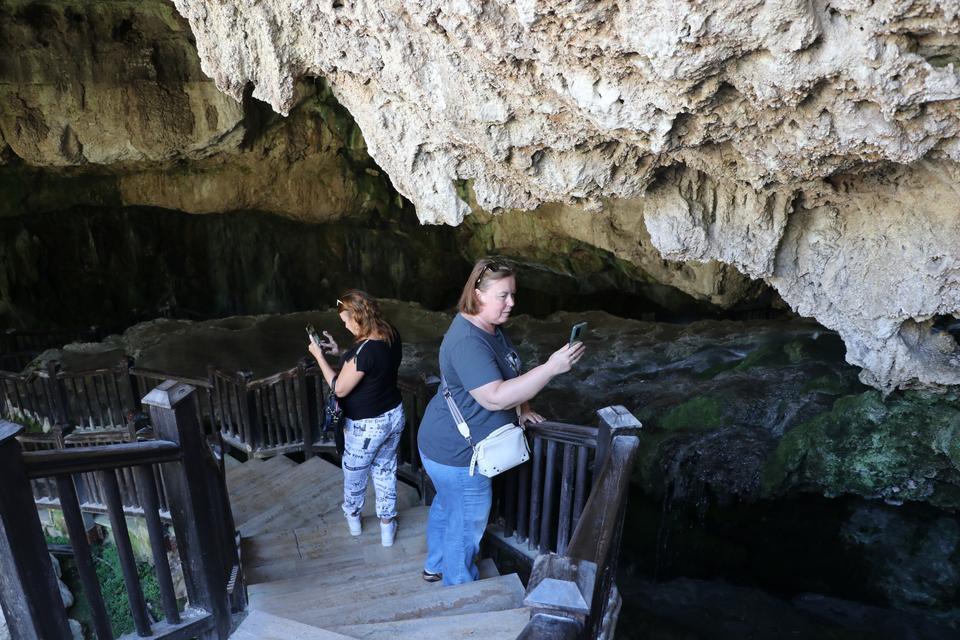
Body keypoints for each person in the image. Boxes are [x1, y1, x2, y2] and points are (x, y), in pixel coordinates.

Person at [416, 258, 585, 585]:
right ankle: (459, 589)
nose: (512, 303)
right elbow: (493, 396)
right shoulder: (467, 341)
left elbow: (510, 369)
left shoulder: (490, 328)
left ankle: (434, 566)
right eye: (503, 296)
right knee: (465, 526)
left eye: (513, 294)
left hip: (443, 446)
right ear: (478, 295)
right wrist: (551, 368)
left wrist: (523, 407)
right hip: (459, 456)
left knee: (447, 508)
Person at [308, 290, 405, 547]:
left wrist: (319, 355)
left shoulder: (363, 352)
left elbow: (339, 387)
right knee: (385, 470)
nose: (346, 325)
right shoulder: (390, 333)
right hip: (394, 415)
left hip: (366, 426)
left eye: (346, 321)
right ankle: (387, 527)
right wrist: (340, 352)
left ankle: (353, 520)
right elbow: (371, 369)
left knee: (355, 474)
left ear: (358, 317)